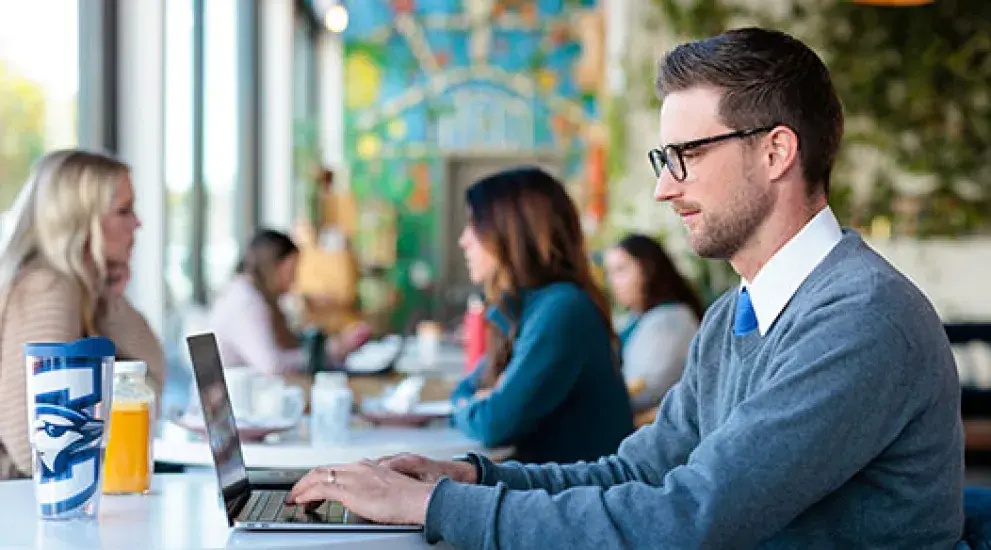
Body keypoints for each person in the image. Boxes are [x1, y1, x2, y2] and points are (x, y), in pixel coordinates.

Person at [283, 27, 964, 549]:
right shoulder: (736, 314)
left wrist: (431, 510)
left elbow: (684, 519)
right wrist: (469, 479)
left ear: (776, 151)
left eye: (687, 156)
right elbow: (633, 475)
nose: (666, 186)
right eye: (663, 160)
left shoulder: (862, 320)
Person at [442, 167, 634, 463]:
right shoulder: (521, 310)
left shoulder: (563, 309)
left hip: (576, 500)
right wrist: (474, 403)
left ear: (513, 231)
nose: (463, 240)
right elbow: (467, 389)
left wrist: (471, 406)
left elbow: (493, 423)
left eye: (474, 225)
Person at [0, 150, 165, 480]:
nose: (138, 223)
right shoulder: (48, 289)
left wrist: (109, 295)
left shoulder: (79, 289)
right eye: (124, 211)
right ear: (79, 219)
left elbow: (151, 383)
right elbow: (34, 444)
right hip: (29, 506)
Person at [208, 229, 369, 376]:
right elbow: (272, 366)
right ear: (274, 266)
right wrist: (330, 351)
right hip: (234, 402)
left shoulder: (251, 295)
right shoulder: (245, 301)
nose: (294, 280)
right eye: (291, 271)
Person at [604, 234, 703, 412]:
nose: (613, 282)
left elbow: (647, 389)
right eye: (609, 273)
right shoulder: (635, 318)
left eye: (620, 270)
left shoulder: (670, 320)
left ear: (647, 269)